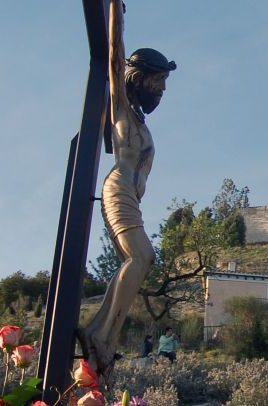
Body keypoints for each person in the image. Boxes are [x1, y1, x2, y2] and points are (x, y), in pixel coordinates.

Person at [77, 0, 176, 383]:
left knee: (136, 261)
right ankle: (104, 336)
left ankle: (98, 331)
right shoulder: (121, 108)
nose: (162, 89)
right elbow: (114, 57)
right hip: (119, 188)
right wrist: (115, 12)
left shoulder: (138, 121)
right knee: (142, 256)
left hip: (131, 197)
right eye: (158, 80)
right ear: (140, 77)